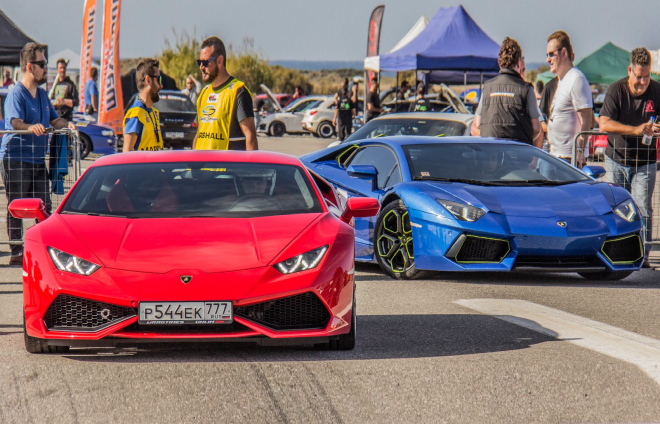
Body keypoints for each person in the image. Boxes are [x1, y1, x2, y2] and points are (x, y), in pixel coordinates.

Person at [1, 42, 76, 264]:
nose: (46, 68)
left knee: (44, 205)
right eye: (42, 64)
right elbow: (14, 121)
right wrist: (30, 127)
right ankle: (16, 251)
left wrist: (67, 125)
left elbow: (54, 119)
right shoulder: (16, 93)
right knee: (17, 205)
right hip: (15, 157)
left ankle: (43, 249)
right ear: (30, 67)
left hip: (36, 158)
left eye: (46, 64)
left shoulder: (42, 95)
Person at [599, 47, 660, 265]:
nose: (643, 82)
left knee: (643, 207)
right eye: (638, 77)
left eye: (647, 76)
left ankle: (643, 256)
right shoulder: (616, 90)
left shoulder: (657, 90)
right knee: (616, 209)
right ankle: (615, 253)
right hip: (616, 160)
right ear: (629, 71)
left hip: (645, 162)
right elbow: (603, 123)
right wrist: (635, 130)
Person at [470, 37, 541, 147]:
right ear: (519, 61)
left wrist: (492, 140)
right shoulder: (526, 89)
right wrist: (523, 142)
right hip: (517, 155)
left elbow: (476, 125)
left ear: (499, 62)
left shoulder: (488, 87)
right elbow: (536, 128)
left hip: (490, 156)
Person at [193, 36, 258, 151]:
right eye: (199, 62)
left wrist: (252, 168)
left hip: (228, 168)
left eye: (205, 62)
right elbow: (199, 135)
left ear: (219, 61)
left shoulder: (238, 91)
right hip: (202, 167)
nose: (201, 67)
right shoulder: (204, 93)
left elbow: (250, 136)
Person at [545, 31, 592, 167]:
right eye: (547, 55)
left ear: (564, 53)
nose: (548, 59)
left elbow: (587, 120)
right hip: (556, 155)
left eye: (551, 54)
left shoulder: (576, 79)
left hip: (568, 159)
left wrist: (580, 153)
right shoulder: (562, 80)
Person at [122, 58, 164, 152]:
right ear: (148, 80)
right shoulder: (136, 114)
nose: (161, 86)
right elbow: (126, 152)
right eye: (159, 79)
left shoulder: (153, 112)